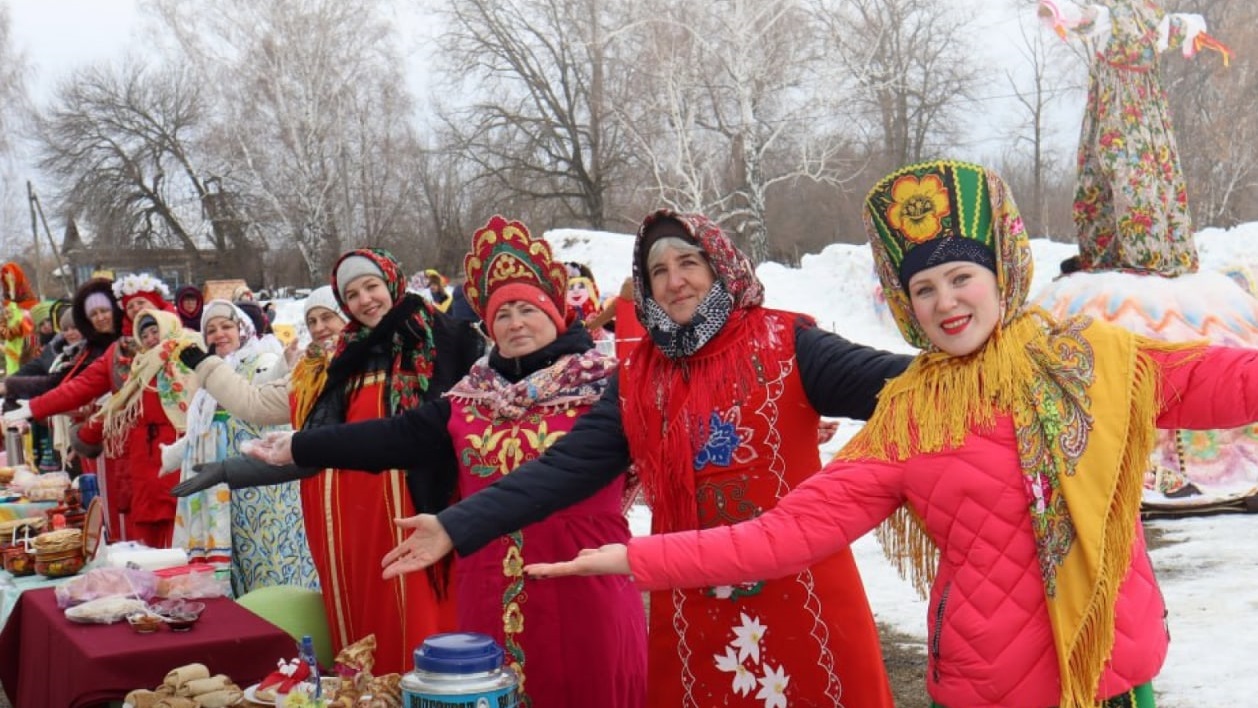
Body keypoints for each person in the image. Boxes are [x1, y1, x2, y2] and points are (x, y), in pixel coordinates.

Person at [525, 160, 1258, 708]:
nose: (946, 303)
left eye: (961, 277)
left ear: (1001, 272)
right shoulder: (910, 416)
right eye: (923, 289)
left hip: (1116, 674)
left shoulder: (1093, 358)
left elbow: (1226, 384)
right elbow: (785, 533)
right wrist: (636, 556)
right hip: (989, 684)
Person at [364, 209, 910, 706]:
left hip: (798, 592)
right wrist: (454, 525)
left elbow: (903, 385)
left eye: (689, 262)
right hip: (690, 601)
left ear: (719, 265)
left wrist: (981, 358)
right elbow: (564, 467)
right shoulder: (640, 378)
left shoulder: (787, 343)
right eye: (658, 272)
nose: (675, 281)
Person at [242, 217, 648, 707]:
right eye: (502, 315)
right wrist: (299, 446)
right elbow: (395, 436)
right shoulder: (471, 397)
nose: (515, 322)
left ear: (557, 312)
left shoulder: (609, 385)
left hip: (582, 582)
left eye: (527, 309)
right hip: (487, 587)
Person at [173, 249, 476, 675]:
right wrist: (229, 471)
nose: (364, 299)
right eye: (351, 294)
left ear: (393, 281)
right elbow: (308, 443)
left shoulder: (442, 339)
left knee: (419, 627)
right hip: (349, 524)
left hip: (415, 511)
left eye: (371, 286)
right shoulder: (339, 362)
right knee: (363, 628)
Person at [1039, 0, 1230, 276]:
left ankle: (1137, 256)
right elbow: (1189, 24)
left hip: (1120, 115)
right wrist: (1195, 29)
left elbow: (1083, 17)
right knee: (1136, 176)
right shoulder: (1155, 22)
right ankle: (1144, 251)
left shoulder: (1116, 16)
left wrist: (1054, 10)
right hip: (1143, 115)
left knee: (1127, 177)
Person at [15, 274, 178, 541]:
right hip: (138, 455)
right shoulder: (120, 352)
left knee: (180, 524)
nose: (137, 310)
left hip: (179, 451)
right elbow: (78, 387)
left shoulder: (184, 344)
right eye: (131, 306)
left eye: (142, 303)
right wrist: (34, 407)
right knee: (147, 530)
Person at [170, 300, 318, 595]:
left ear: (243, 330)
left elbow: (269, 378)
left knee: (268, 560)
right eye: (211, 330)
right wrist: (171, 456)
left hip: (263, 491)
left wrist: (285, 362)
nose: (219, 334)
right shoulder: (205, 381)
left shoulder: (257, 359)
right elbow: (201, 431)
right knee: (237, 563)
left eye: (226, 326)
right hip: (223, 492)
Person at [83, 308, 201, 547]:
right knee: (149, 521)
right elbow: (120, 406)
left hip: (173, 444)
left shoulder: (185, 355)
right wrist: (85, 434)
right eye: (144, 336)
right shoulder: (141, 366)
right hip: (144, 454)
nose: (150, 339)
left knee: (176, 513)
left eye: (154, 331)